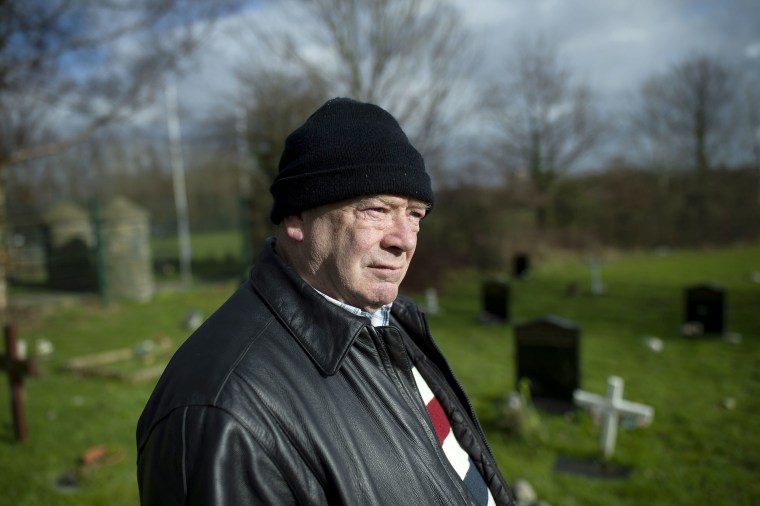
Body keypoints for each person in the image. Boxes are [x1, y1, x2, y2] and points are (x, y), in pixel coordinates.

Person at [136, 97, 514, 505]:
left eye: (415, 214)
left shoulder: (391, 322)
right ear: (297, 217)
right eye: (376, 209)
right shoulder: (221, 412)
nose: (404, 240)